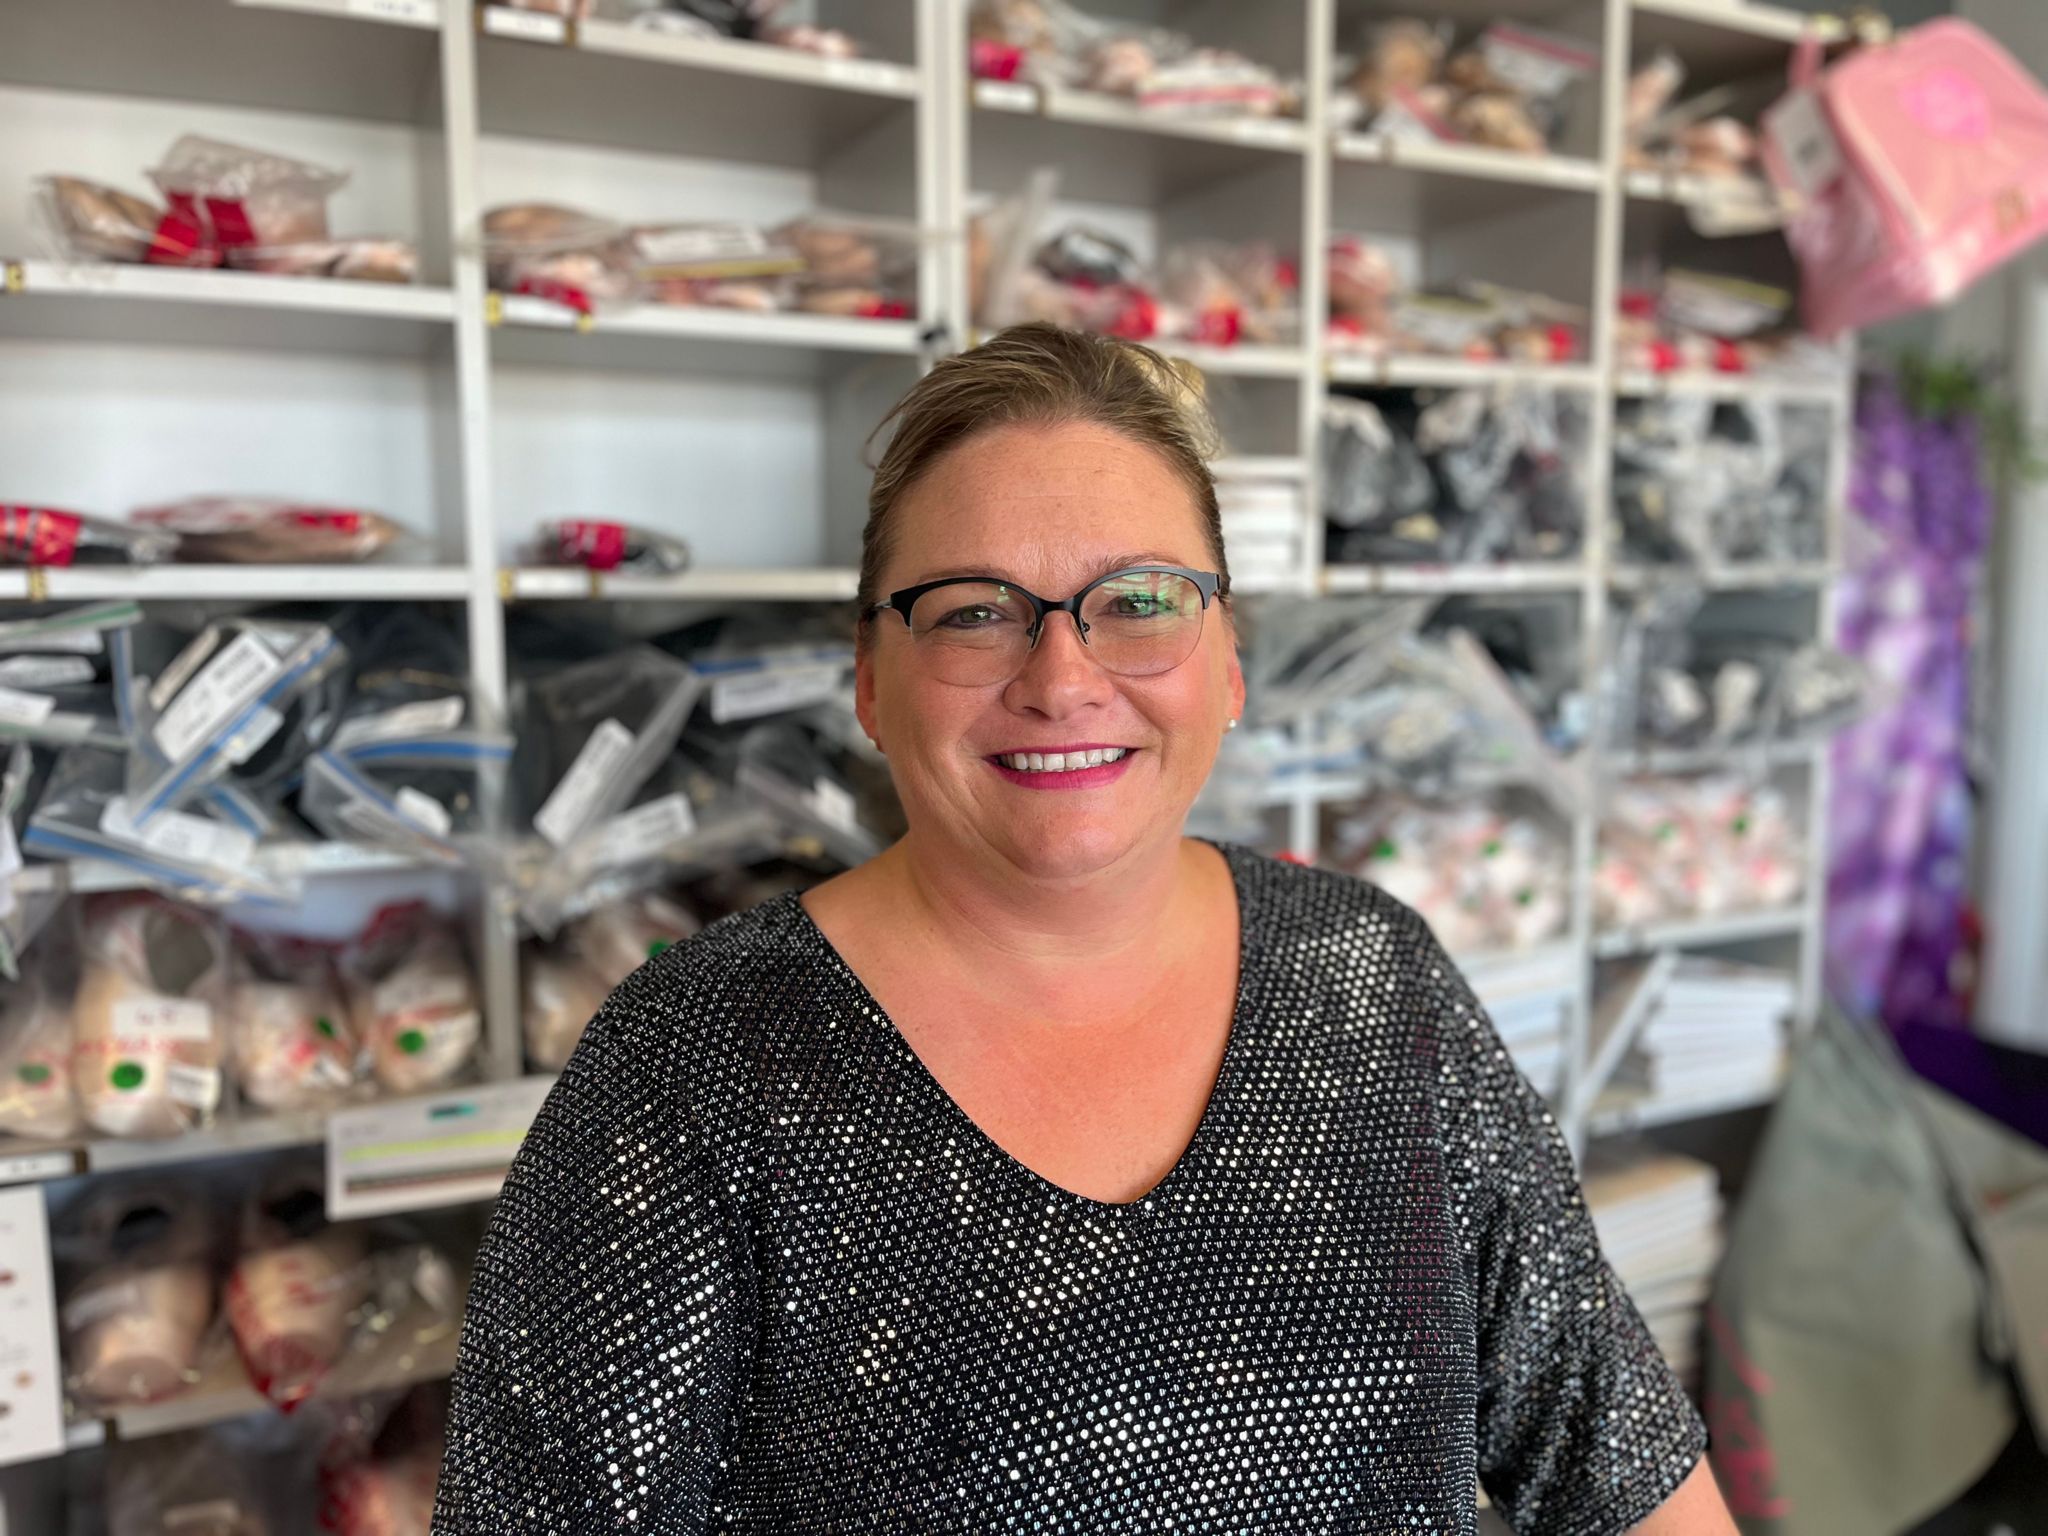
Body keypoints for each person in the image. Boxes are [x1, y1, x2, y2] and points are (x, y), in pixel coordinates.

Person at [432, 323, 1737, 1534]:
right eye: (974, 611)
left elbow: (1613, 1452)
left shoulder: (1369, 976)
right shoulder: (696, 1060)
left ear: (1227, 661)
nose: (1062, 679)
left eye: (1142, 599)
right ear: (871, 685)